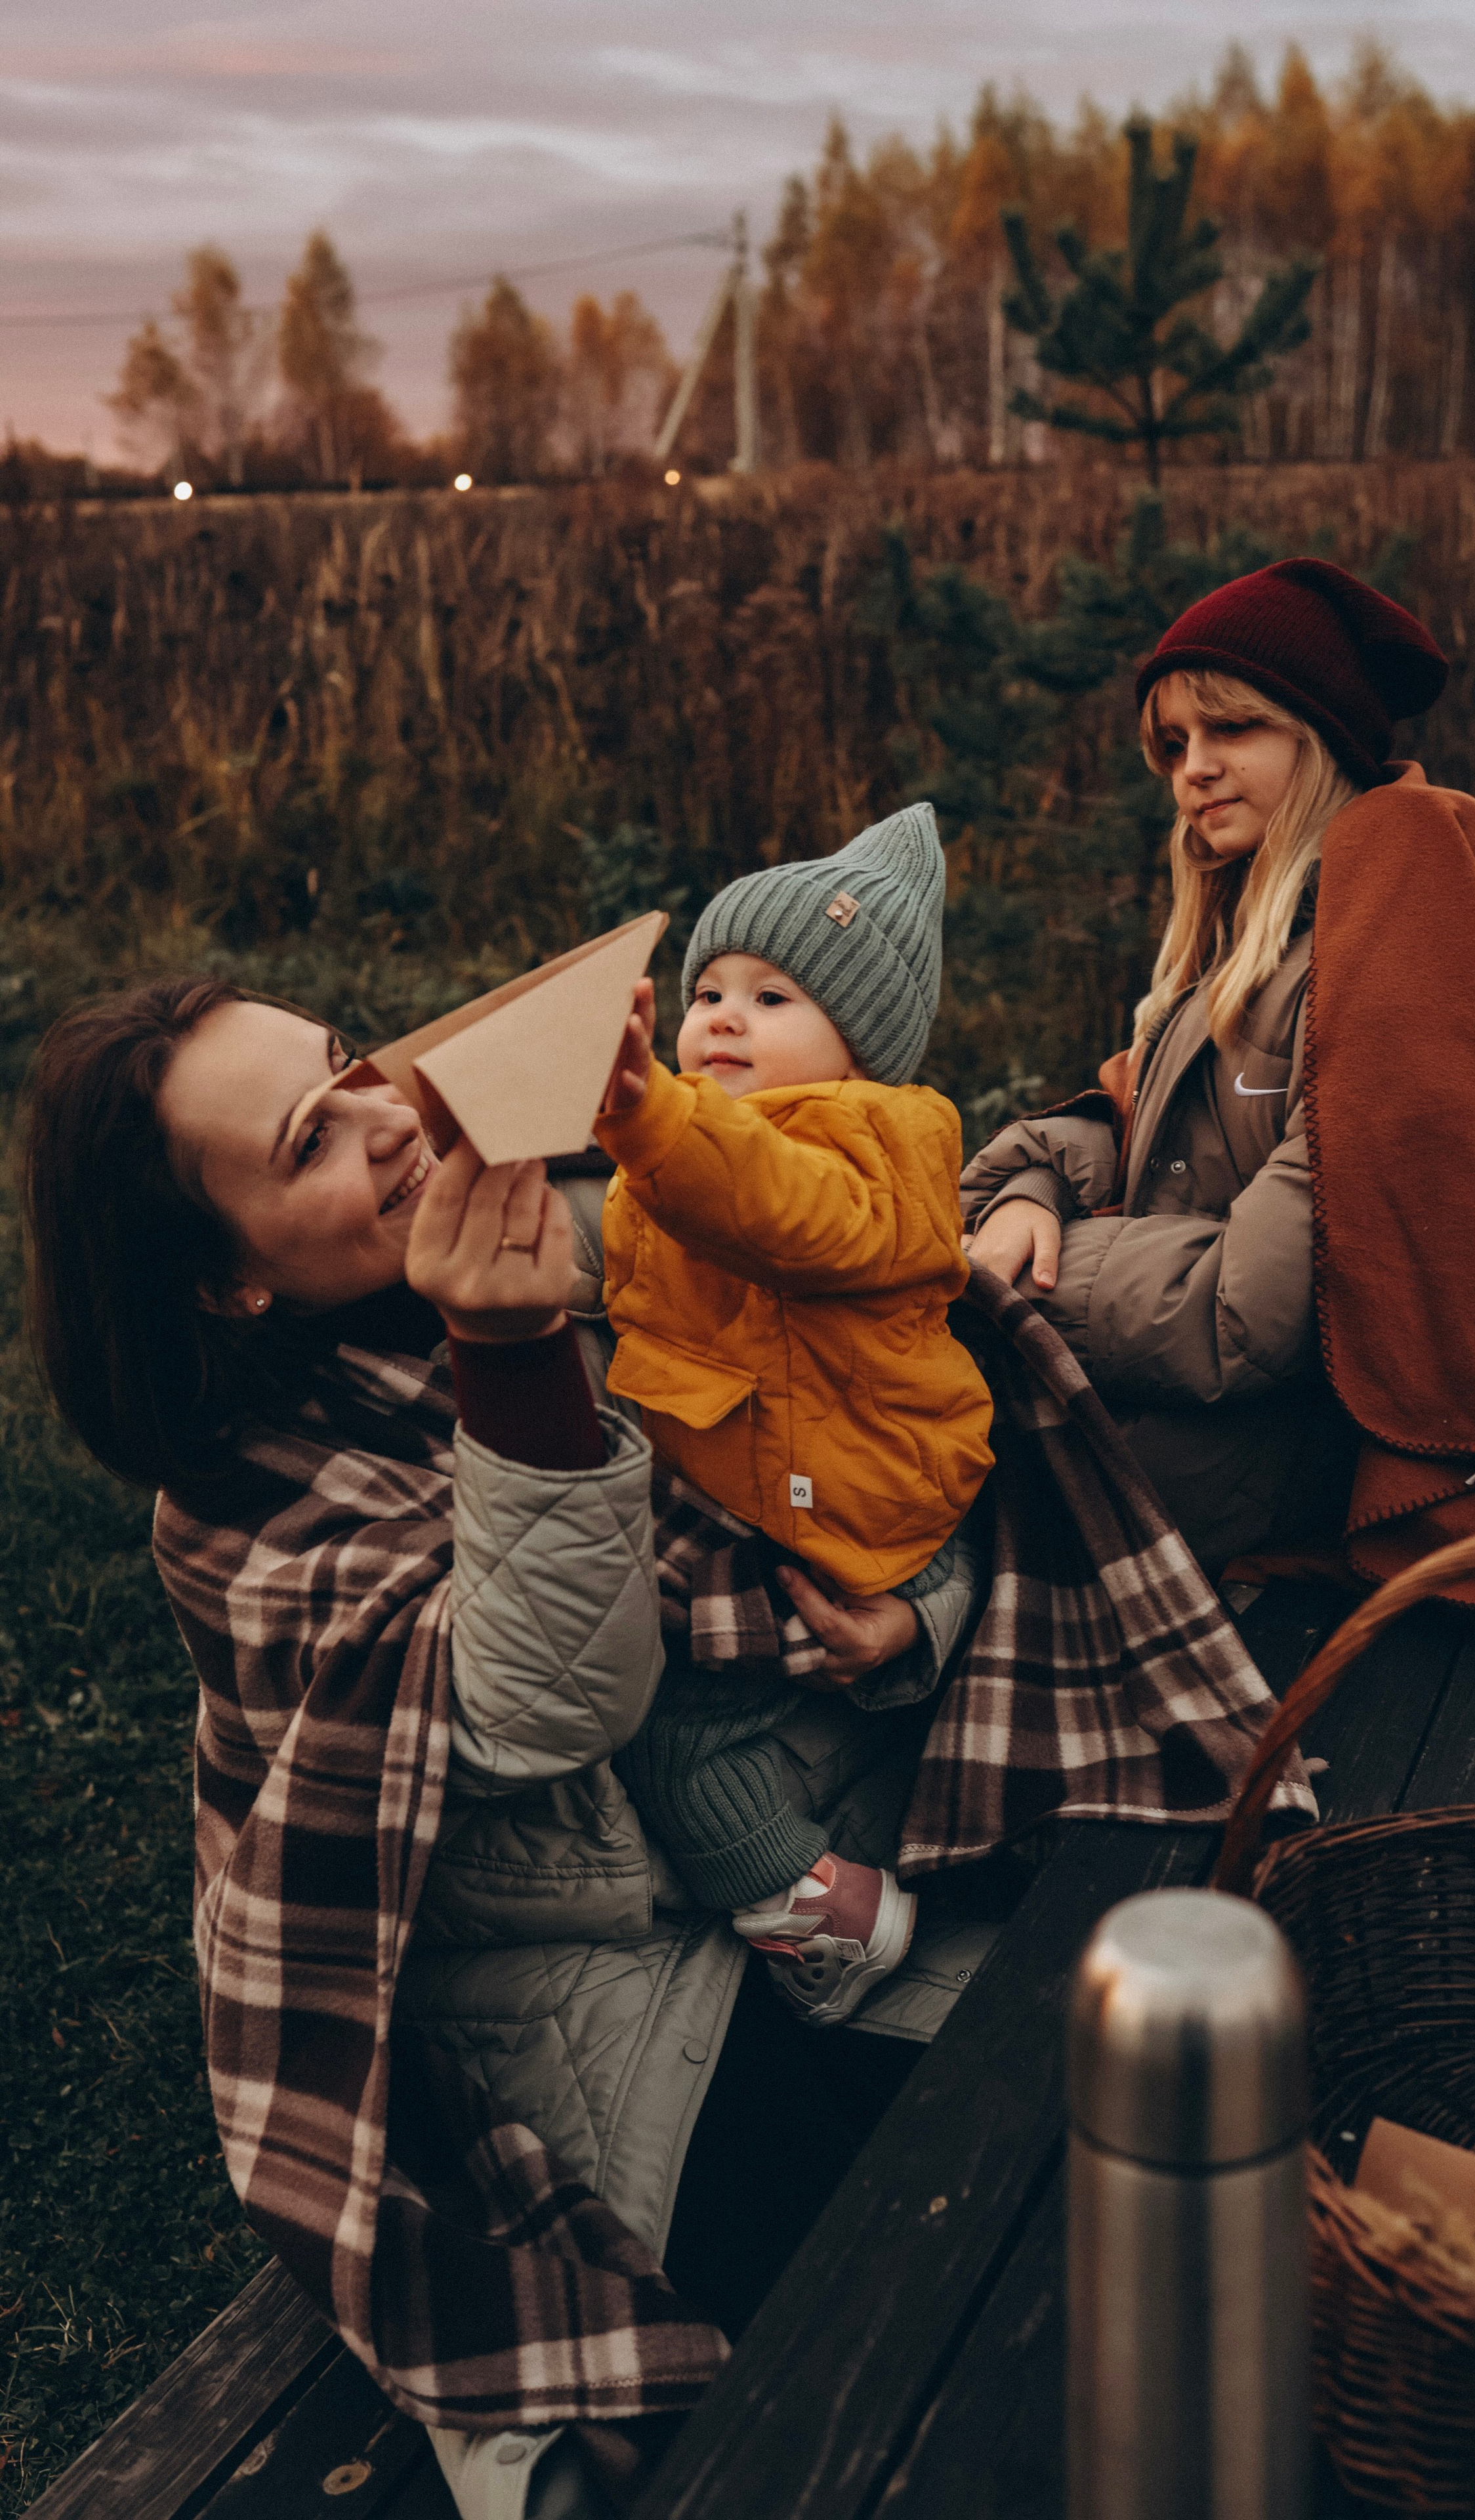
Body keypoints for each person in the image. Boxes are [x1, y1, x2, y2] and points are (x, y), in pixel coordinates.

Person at [19, 973, 982, 2520]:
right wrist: (510, 1347)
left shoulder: (514, 1238)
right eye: (307, 1141)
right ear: (228, 1284)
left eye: (351, 1068)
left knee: (1085, 2091)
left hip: (765, 1855)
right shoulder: (231, 1510)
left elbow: (827, 1416)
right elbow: (555, 1703)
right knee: (927, 2328)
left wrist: (918, 1613)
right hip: (574, 2002)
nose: (388, 1125)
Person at [963, 559, 1475, 1636]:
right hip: (1176, 1398)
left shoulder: (1391, 953)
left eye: (1233, 731)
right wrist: (1030, 1188)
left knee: (905, 1479)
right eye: (1173, 746)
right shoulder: (1253, 949)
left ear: (1319, 739)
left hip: (1291, 1445)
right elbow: (1124, 1115)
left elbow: (1242, 1313)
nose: (1194, 771)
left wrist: (998, 1276)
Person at [595, 803, 994, 2026]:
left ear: (860, 1044)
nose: (724, 1014)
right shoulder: (712, 1139)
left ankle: (832, 1920)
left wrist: (649, 1114)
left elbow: (777, 1209)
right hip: (751, 1465)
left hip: (839, 1492)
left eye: (775, 999)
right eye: (712, 985)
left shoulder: (876, 1139)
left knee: (679, 1741)